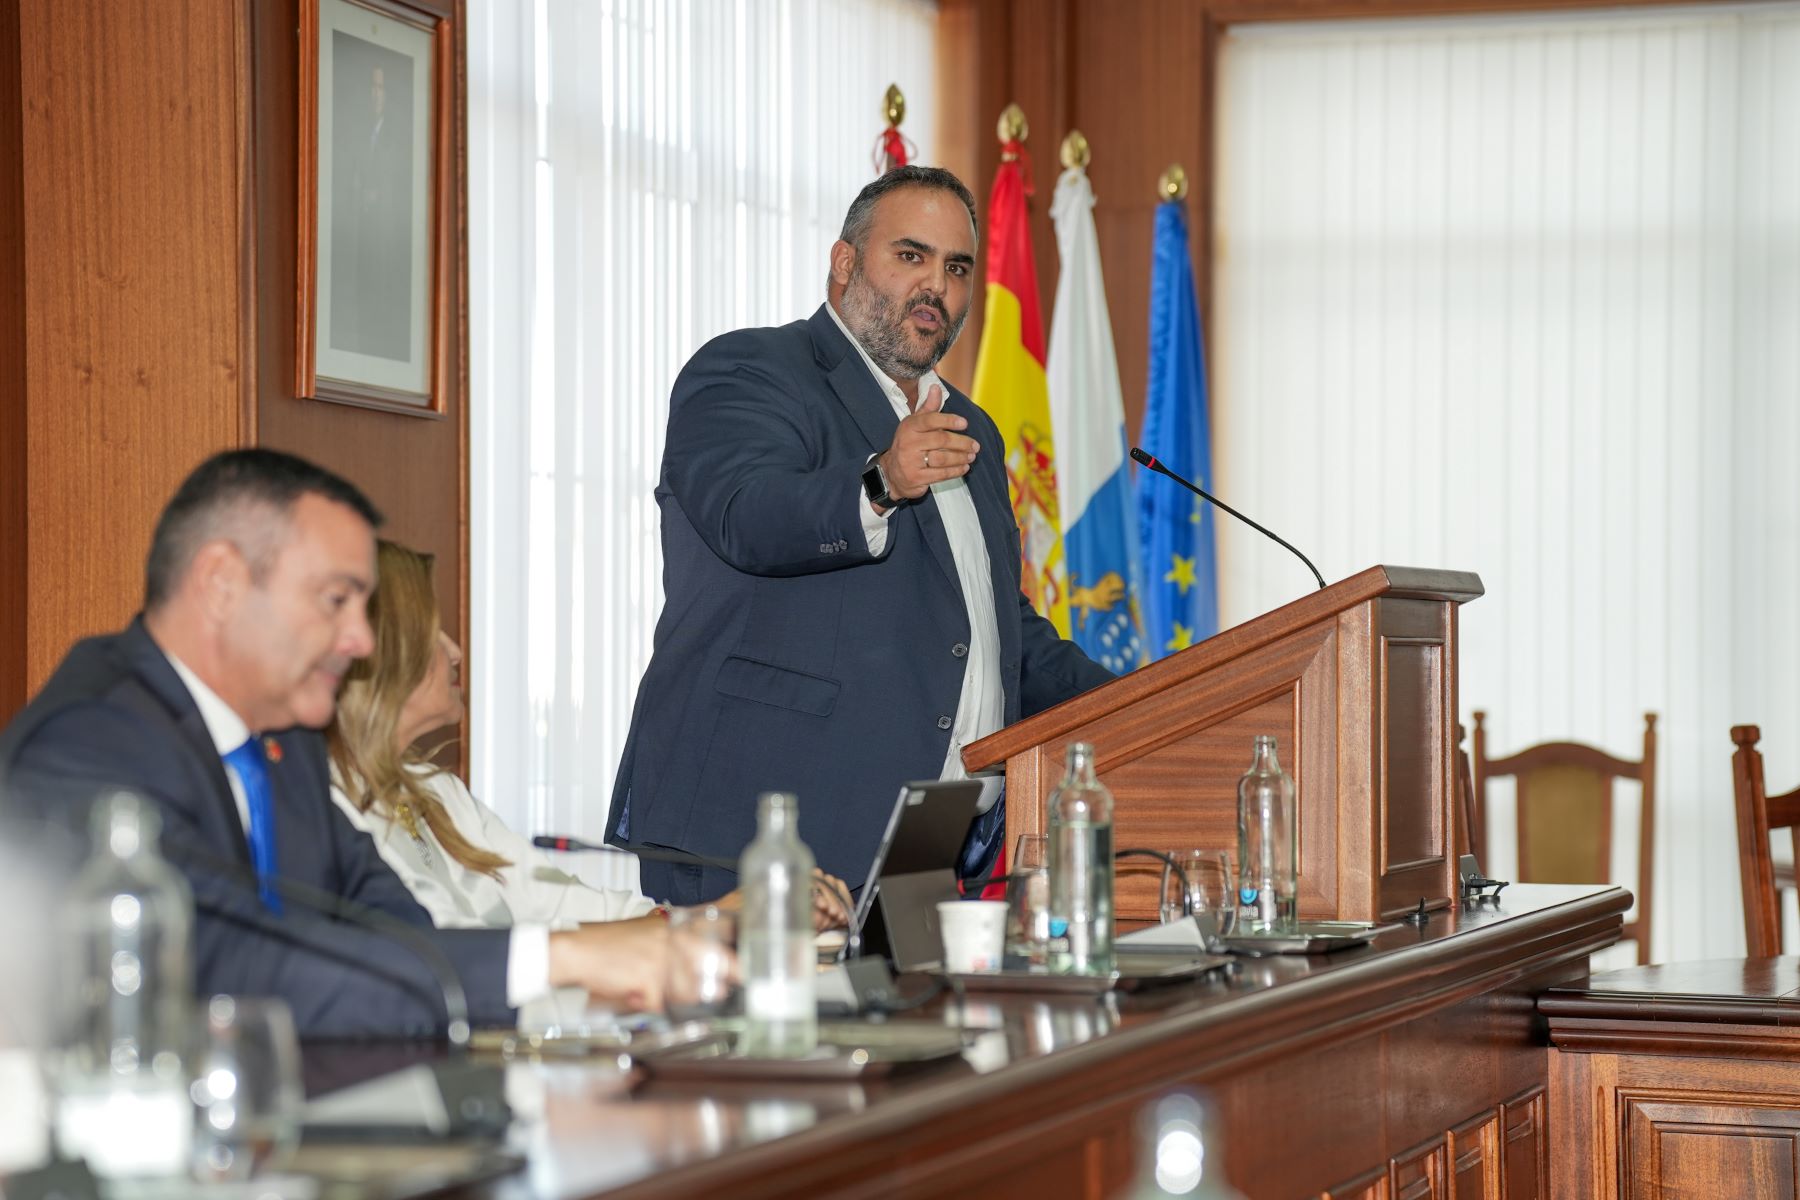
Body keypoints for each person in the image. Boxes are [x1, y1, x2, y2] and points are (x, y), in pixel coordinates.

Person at [0, 449, 680, 1038]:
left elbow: (393, 929)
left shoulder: (282, 738)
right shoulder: (91, 737)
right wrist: (554, 960)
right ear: (221, 584)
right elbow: (225, 966)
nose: (360, 641)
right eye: (336, 600)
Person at [610, 165, 1116, 906]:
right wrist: (879, 480)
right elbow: (749, 516)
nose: (935, 287)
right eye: (910, 256)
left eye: (956, 268)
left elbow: (995, 628)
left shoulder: (970, 428)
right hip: (766, 832)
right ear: (844, 263)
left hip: (930, 840)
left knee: (910, 1027)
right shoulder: (750, 372)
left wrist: (1150, 700)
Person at [326, 537, 848, 931]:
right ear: (372, 651)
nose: (454, 650)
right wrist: (720, 923)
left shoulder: (437, 792)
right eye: (430, 633)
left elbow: (561, 904)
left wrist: (723, 921)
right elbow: (454, 953)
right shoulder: (320, 807)